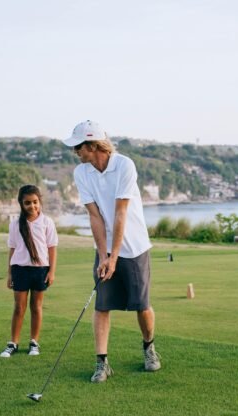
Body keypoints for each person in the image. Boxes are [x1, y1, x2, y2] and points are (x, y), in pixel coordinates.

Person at [62, 120, 161, 383]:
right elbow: (95, 216)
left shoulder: (124, 165)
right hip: (105, 248)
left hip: (135, 246)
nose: (76, 152)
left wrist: (115, 256)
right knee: (102, 305)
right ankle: (101, 363)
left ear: (93, 145)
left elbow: (121, 212)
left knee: (142, 305)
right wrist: (104, 254)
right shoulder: (82, 172)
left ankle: (149, 347)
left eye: (79, 146)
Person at [1, 185, 58, 358]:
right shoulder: (15, 225)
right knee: (19, 307)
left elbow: (52, 248)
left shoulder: (47, 222)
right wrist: (10, 273)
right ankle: (13, 343)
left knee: (36, 307)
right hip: (20, 269)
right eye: (27, 203)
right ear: (21, 204)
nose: (32, 206)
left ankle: (34, 342)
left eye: (35, 202)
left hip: (40, 270)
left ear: (39, 201)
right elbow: (12, 249)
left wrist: (52, 272)